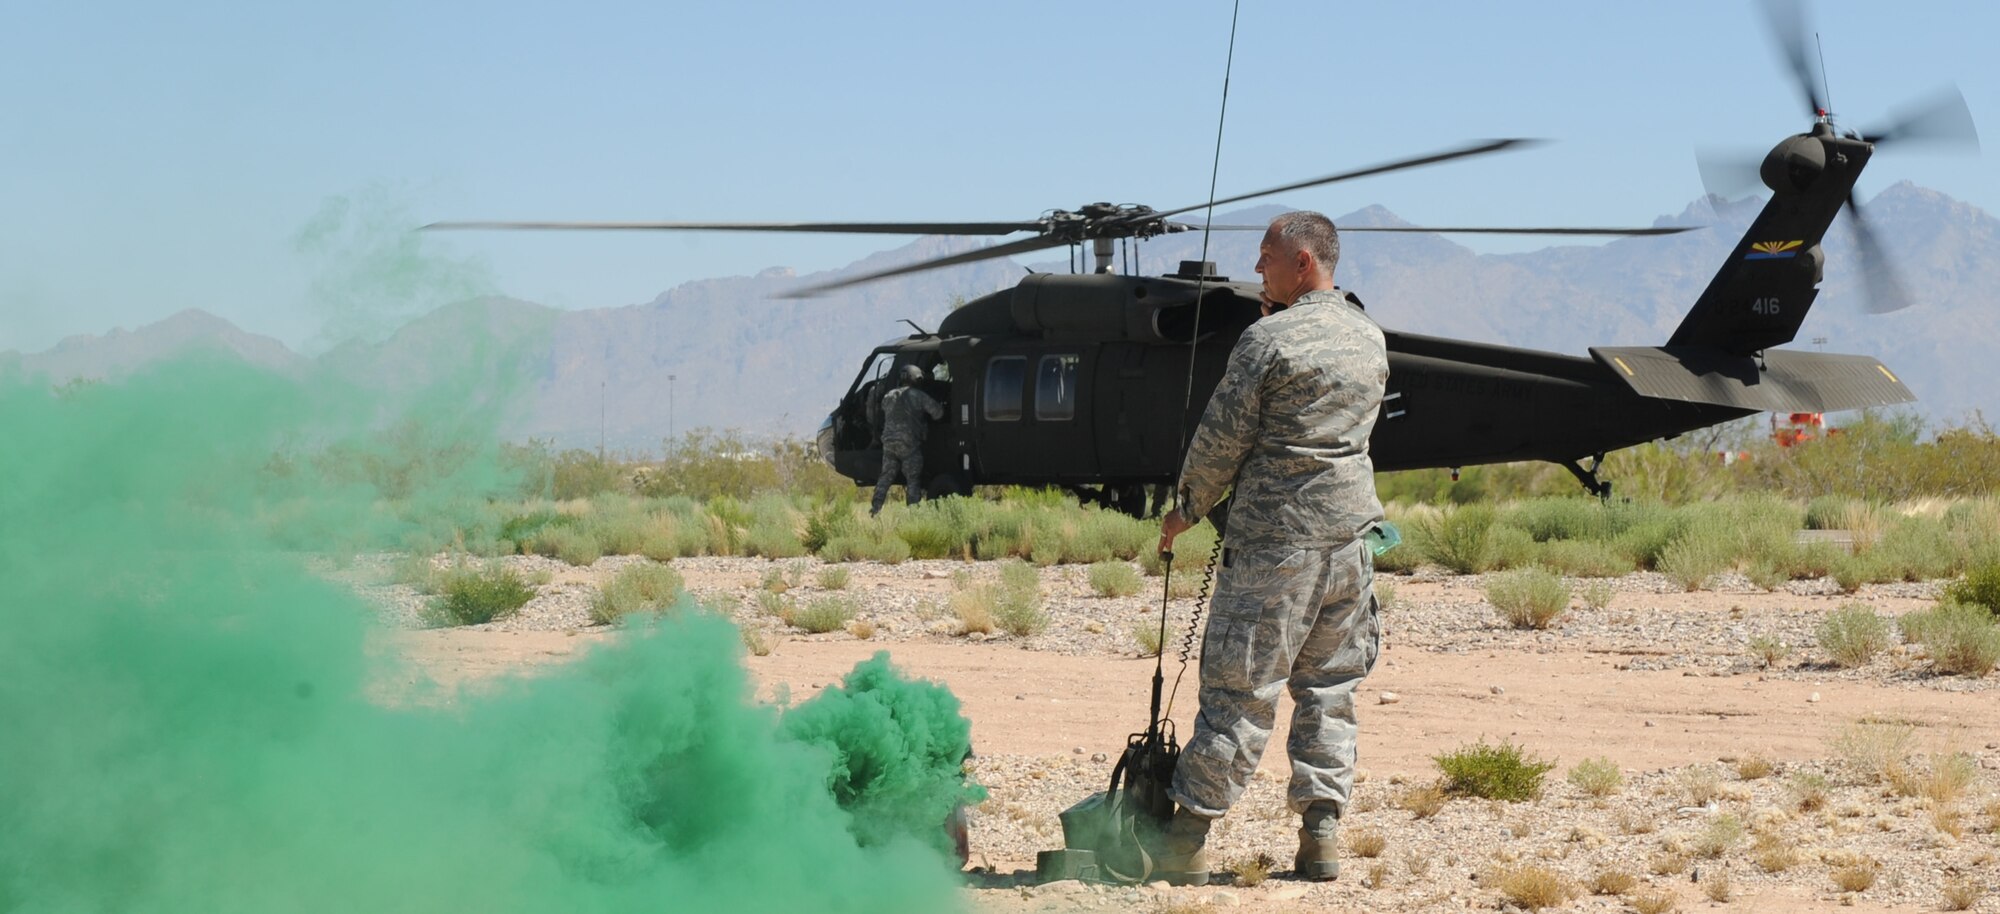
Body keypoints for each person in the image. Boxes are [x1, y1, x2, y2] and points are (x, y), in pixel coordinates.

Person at [1154, 211, 1388, 884]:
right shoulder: (1369, 339)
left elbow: (1221, 440)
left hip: (1276, 546)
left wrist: (1185, 510)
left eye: (1266, 258)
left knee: (1240, 690)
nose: (1258, 269)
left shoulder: (1267, 341)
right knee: (1332, 689)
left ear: (1303, 264)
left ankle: (1186, 839)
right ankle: (1321, 835)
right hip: (1350, 545)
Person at [871, 365, 944, 516]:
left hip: (889, 444)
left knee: (885, 477)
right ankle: (913, 514)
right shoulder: (918, 395)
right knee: (913, 479)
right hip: (909, 445)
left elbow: (884, 409)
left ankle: (875, 509)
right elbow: (938, 413)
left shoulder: (889, 395)